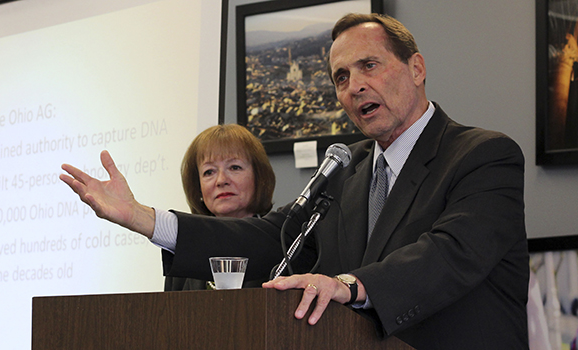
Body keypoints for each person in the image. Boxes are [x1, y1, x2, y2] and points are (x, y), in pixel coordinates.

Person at [60, 13, 529, 349]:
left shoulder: (484, 155)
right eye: (340, 77)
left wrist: (347, 284)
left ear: (417, 68)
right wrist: (143, 219)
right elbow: (268, 237)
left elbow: (450, 254)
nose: (354, 86)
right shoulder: (345, 171)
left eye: (369, 66)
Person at [165, 124, 275, 291]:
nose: (221, 180)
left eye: (234, 167)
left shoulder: (282, 247)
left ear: (258, 177)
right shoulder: (184, 255)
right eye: (209, 172)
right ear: (198, 186)